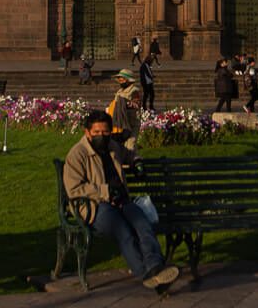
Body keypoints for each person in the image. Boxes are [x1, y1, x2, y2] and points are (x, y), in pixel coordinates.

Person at [62, 110, 179, 291]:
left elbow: (129, 153)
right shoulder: (77, 155)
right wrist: (104, 191)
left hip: (122, 201)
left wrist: (137, 161)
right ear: (87, 132)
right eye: (96, 132)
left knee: (143, 225)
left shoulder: (113, 147)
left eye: (105, 132)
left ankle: (155, 266)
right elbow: (74, 189)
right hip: (96, 207)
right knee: (124, 232)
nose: (101, 136)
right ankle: (145, 274)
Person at [108, 69, 142, 148]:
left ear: (128, 80)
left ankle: (134, 160)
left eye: (122, 78)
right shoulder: (119, 91)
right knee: (120, 148)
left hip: (131, 123)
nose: (120, 80)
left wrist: (125, 103)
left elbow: (137, 104)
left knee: (130, 146)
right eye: (119, 78)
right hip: (120, 124)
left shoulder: (134, 91)